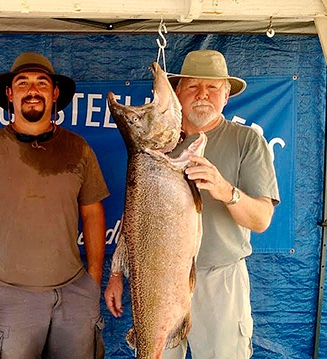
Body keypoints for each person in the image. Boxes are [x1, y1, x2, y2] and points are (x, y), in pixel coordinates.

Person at [104, 49, 280, 358]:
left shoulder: (248, 142)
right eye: (193, 87)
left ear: (226, 95)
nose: (203, 95)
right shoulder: (160, 144)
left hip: (219, 279)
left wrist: (226, 190)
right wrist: (117, 274)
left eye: (213, 87)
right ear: (177, 93)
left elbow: (262, 220)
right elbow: (137, 215)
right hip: (156, 277)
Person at [0, 52, 110, 359]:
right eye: (23, 83)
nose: (32, 90)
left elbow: (92, 212)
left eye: (41, 82)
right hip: (12, 298)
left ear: (54, 94)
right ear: (10, 95)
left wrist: (92, 280)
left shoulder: (78, 148)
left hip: (74, 292)